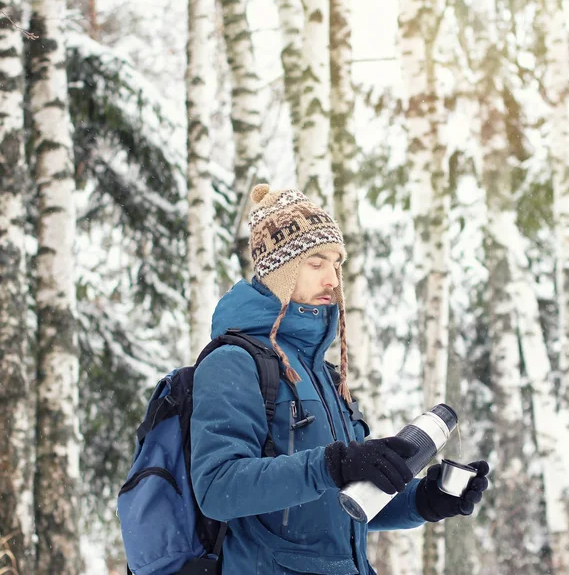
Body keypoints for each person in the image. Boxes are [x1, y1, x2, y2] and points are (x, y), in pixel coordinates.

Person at [190, 184, 489, 574]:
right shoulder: (235, 362)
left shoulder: (326, 375)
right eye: (316, 263)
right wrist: (333, 465)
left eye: (336, 264)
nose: (332, 278)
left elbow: (341, 507)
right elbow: (217, 488)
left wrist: (424, 500)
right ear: (280, 273)